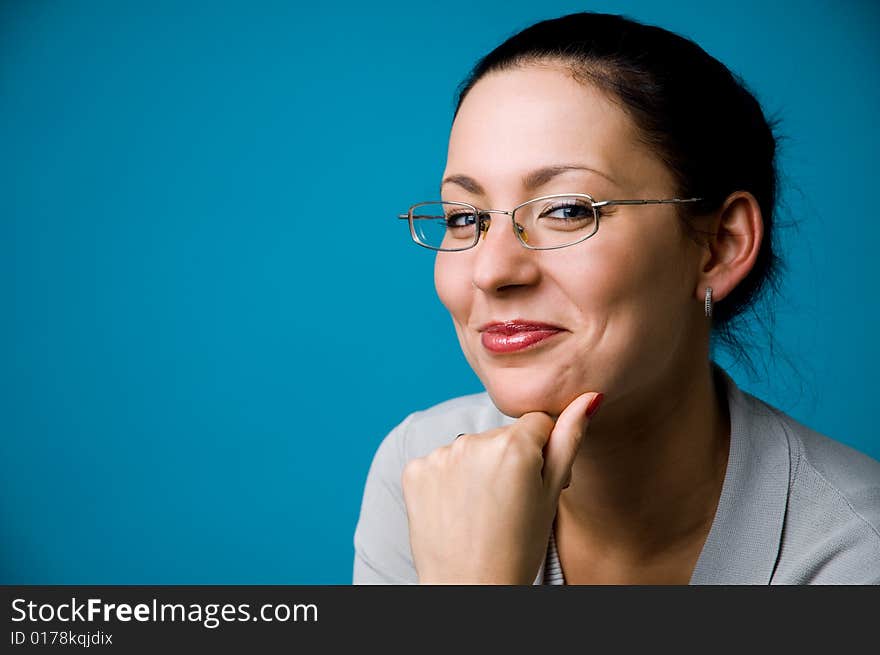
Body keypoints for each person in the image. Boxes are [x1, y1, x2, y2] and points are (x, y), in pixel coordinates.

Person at [352, 11, 880, 584]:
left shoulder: (854, 554)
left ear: (720, 246)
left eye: (566, 210)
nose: (491, 270)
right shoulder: (424, 468)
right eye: (464, 217)